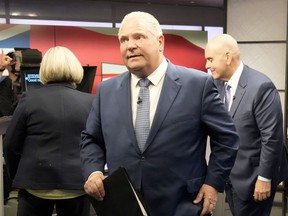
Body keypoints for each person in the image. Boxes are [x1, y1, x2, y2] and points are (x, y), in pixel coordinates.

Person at [80, 11, 239, 216]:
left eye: (139, 37)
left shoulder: (198, 85)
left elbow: (227, 138)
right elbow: (91, 138)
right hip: (123, 205)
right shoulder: (106, 90)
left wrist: (212, 182)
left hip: (182, 205)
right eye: (123, 40)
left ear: (160, 42)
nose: (130, 45)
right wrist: (94, 171)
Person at [3, 46, 94, 216]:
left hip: (34, 186)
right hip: (77, 186)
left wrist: (20, 175)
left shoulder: (28, 99)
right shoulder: (91, 102)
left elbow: (10, 145)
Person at [205, 33, 288, 216]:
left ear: (227, 57)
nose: (207, 65)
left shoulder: (261, 86)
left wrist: (264, 178)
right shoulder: (216, 85)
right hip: (231, 175)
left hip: (255, 177)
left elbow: (272, 137)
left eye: (210, 59)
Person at [0, 50, 19, 117]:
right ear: (7, 65)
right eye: (14, 61)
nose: (17, 65)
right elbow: (7, 112)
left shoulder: (26, 83)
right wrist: (2, 67)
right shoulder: (3, 86)